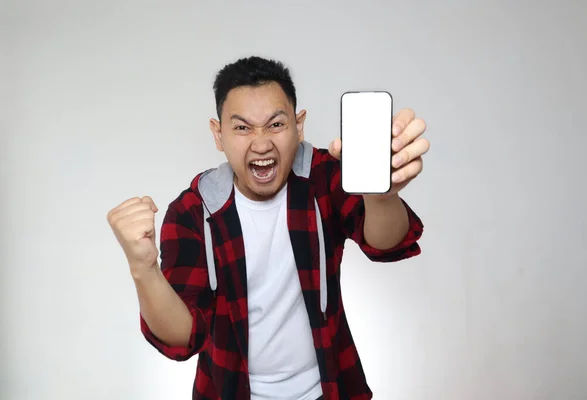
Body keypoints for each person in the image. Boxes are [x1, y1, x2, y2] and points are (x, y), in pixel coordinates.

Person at [107, 56, 429, 400]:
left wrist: (382, 196)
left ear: (298, 125)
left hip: (331, 389)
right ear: (219, 134)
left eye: (276, 125)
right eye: (242, 128)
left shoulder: (323, 176)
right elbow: (183, 337)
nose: (261, 144)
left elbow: (385, 243)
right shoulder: (193, 211)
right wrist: (143, 269)